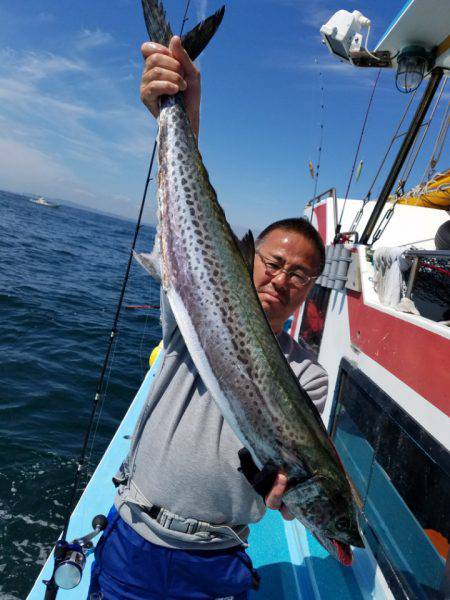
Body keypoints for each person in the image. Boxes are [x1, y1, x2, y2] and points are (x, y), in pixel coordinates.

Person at [88, 36, 328, 600]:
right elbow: (190, 242)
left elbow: (290, 488)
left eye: (301, 274)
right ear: (250, 262)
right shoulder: (191, 311)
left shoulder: (309, 377)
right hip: (136, 540)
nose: (282, 279)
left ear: (311, 290)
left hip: (217, 558)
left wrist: (289, 499)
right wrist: (180, 118)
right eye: (274, 262)